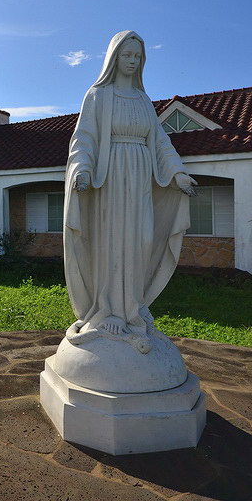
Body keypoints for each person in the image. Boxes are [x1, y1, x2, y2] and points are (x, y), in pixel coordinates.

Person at [64, 30, 197, 342]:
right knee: (111, 240)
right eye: (127, 55)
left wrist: (177, 173)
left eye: (137, 56)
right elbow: (84, 138)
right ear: (114, 57)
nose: (132, 61)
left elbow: (160, 142)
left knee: (141, 241)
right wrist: (82, 170)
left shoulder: (143, 100)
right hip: (110, 179)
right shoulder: (98, 95)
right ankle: (108, 309)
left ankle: (132, 307)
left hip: (140, 180)